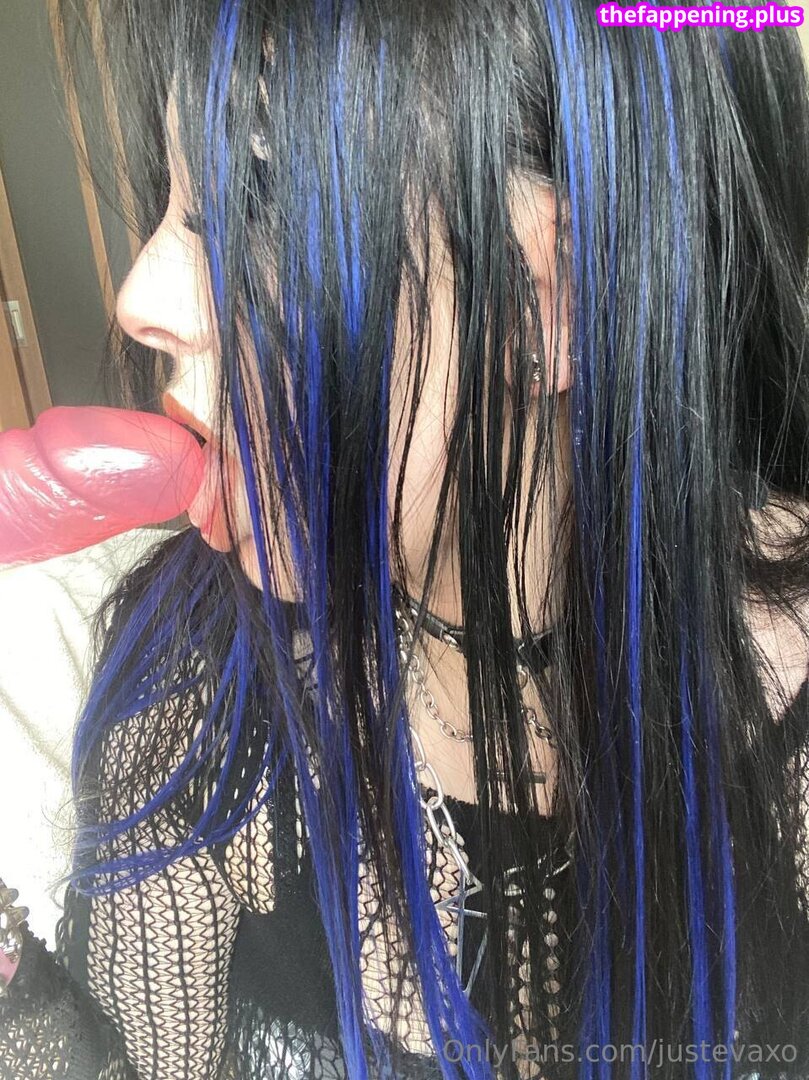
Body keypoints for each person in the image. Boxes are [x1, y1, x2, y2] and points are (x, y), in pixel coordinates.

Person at [2, 0, 809, 1077]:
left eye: (255, 195)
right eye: (171, 199)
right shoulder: (187, 691)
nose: (138, 294)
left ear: (548, 300)